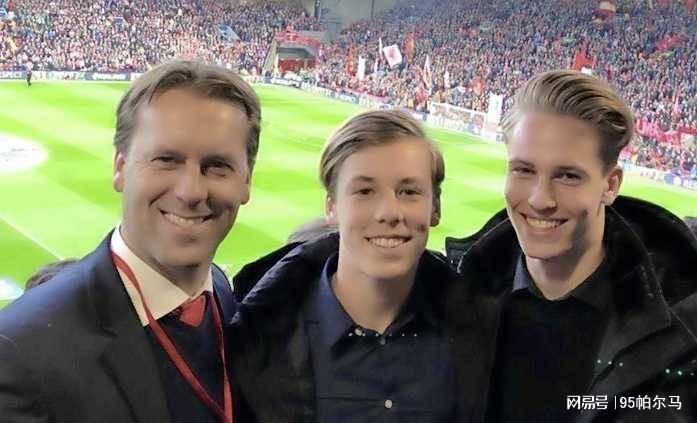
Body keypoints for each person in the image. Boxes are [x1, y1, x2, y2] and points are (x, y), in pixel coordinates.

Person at [0, 60, 261, 423]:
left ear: (246, 181)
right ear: (120, 168)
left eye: (217, 166)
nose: (191, 191)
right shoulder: (20, 353)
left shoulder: (220, 290)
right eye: (166, 160)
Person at [446, 70, 697, 422]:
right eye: (523, 170)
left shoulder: (683, 325)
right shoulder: (451, 294)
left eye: (567, 176)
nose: (540, 199)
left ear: (610, 185)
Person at [228, 109, 475, 422]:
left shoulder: (481, 334)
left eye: (409, 192)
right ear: (332, 206)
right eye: (365, 191)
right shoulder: (257, 338)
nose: (389, 212)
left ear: (435, 207)